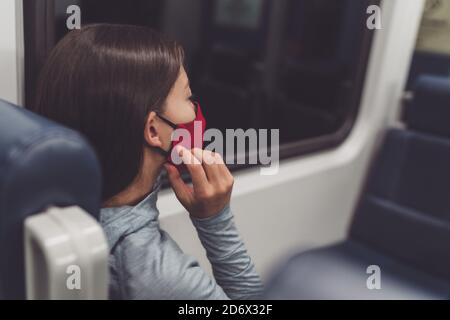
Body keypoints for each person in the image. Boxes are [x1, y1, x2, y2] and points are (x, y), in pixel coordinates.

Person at [30, 23, 263, 299]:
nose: (195, 110)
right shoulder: (162, 276)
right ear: (153, 130)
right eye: (189, 98)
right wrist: (216, 220)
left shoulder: (53, 204)